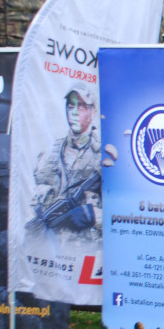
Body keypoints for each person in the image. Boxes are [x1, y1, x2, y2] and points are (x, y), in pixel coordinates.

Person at [30, 84, 102, 234]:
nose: (74, 112)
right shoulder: (50, 154)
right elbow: (32, 203)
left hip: (90, 248)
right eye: (71, 106)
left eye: (82, 107)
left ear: (93, 113)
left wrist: (94, 216)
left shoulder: (104, 155)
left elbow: (125, 214)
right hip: (52, 246)